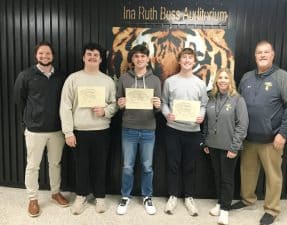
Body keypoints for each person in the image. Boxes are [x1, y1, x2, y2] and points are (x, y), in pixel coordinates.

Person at [231, 40, 287, 225]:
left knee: (273, 175)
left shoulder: (281, 76)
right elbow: (238, 104)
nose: (262, 55)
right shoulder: (246, 78)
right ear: (255, 56)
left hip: (272, 139)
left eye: (266, 52)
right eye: (259, 52)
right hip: (248, 138)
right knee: (247, 172)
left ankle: (272, 209)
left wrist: (283, 134)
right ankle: (247, 200)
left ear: (273, 55)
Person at [60, 42, 117, 215]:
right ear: (83, 57)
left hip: (102, 131)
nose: (92, 57)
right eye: (89, 54)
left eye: (96, 55)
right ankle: (81, 195)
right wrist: (68, 132)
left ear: (101, 59)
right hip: (79, 131)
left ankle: (100, 197)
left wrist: (105, 111)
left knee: (101, 165)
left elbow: (114, 104)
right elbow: (65, 106)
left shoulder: (107, 81)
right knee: (81, 166)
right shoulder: (73, 78)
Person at [13, 41, 69, 217]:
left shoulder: (61, 76)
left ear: (53, 56)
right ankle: (33, 199)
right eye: (41, 54)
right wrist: (27, 123)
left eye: (48, 54)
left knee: (55, 164)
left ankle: (55, 193)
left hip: (56, 130)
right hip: (34, 130)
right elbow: (19, 100)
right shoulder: (26, 75)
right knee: (33, 166)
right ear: (36, 55)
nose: (45, 56)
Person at [162, 47, 208, 216]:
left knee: (189, 166)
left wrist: (201, 116)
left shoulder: (200, 83)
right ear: (179, 61)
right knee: (172, 165)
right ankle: (173, 195)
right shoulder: (170, 81)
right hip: (173, 130)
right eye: (184, 57)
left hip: (193, 131)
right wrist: (168, 115)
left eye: (190, 58)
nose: (187, 60)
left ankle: (189, 197)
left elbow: (203, 104)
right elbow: (163, 102)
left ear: (194, 62)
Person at [116, 44, 161, 215]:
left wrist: (158, 105)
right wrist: (120, 103)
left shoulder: (155, 80)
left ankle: (147, 196)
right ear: (132, 59)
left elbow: (159, 107)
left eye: (143, 56)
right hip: (128, 129)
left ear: (147, 58)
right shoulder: (124, 78)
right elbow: (118, 100)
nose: (139, 59)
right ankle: (125, 196)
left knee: (147, 166)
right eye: (136, 56)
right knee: (127, 166)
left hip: (149, 130)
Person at [203, 68, 248, 225]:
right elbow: (207, 122)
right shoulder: (211, 98)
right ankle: (220, 203)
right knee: (217, 176)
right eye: (220, 77)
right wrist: (205, 141)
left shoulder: (237, 99)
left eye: (226, 78)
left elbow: (242, 125)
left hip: (229, 147)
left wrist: (234, 147)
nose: (222, 80)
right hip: (213, 145)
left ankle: (225, 210)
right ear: (216, 80)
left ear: (230, 81)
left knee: (227, 179)